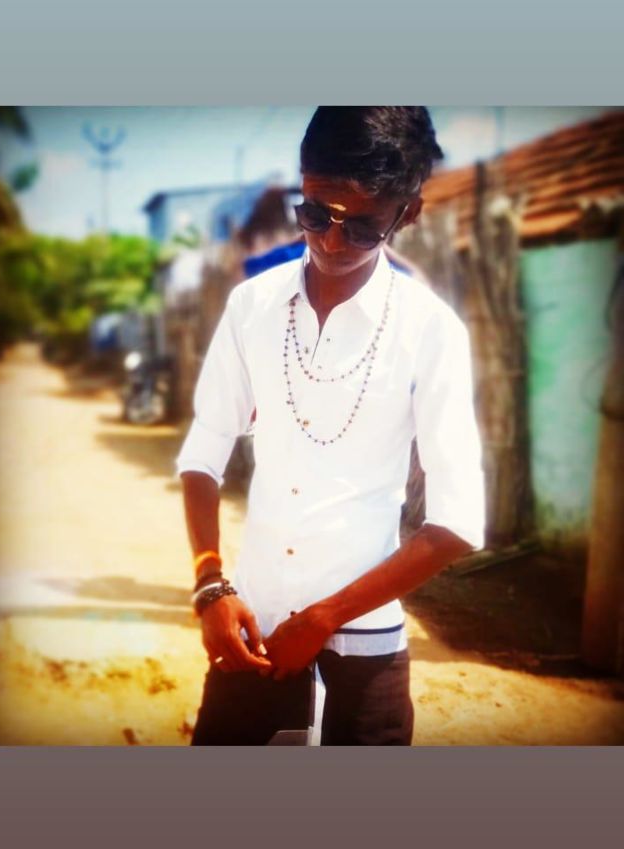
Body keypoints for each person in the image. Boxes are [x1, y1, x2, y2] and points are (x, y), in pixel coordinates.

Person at [176, 107, 485, 745]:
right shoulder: (252, 306)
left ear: (407, 214)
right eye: (315, 213)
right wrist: (210, 585)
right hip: (250, 632)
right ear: (302, 188)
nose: (332, 242)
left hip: (365, 652)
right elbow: (203, 452)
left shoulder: (431, 332)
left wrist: (324, 618)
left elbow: (456, 523)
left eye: (364, 226)